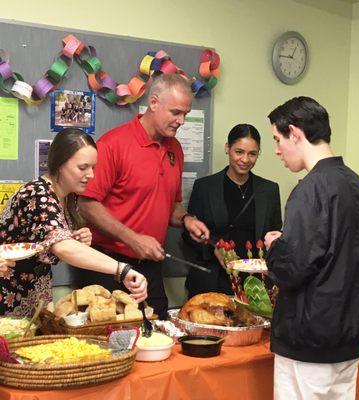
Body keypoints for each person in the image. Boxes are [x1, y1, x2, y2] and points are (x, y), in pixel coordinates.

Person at [264, 96, 359, 400]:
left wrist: (275, 246)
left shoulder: (310, 190)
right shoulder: (358, 185)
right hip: (351, 336)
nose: (277, 150)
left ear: (296, 132)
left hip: (311, 343)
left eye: (278, 139)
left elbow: (292, 269)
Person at [78, 73, 209, 319]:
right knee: (111, 344)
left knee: (157, 335)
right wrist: (133, 239)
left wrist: (187, 220)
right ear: (154, 103)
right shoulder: (113, 144)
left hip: (150, 267)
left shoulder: (175, 149)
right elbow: (86, 205)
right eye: (176, 113)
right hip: (108, 265)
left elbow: (173, 206)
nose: (182, 121)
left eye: (186, 114)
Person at [0, 128, 147, 317]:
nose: (91, 175)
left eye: (93, 167)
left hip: (32, 291)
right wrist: (121, 269)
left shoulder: (69, 197)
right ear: (60, 164)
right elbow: (62, 247)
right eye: (83, 167)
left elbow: (50, 239)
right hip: (8, 292)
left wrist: (76, 238)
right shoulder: (37, 194)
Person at [182, 123, 282, 298]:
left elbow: (275, 236)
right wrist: (213, 247)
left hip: (255, 284)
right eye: (239, 152)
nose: (245, 159)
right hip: (212, 280)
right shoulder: (205, 187)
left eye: (252, 154)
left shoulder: (269, 190)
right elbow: (189, 234)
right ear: (227, 148)